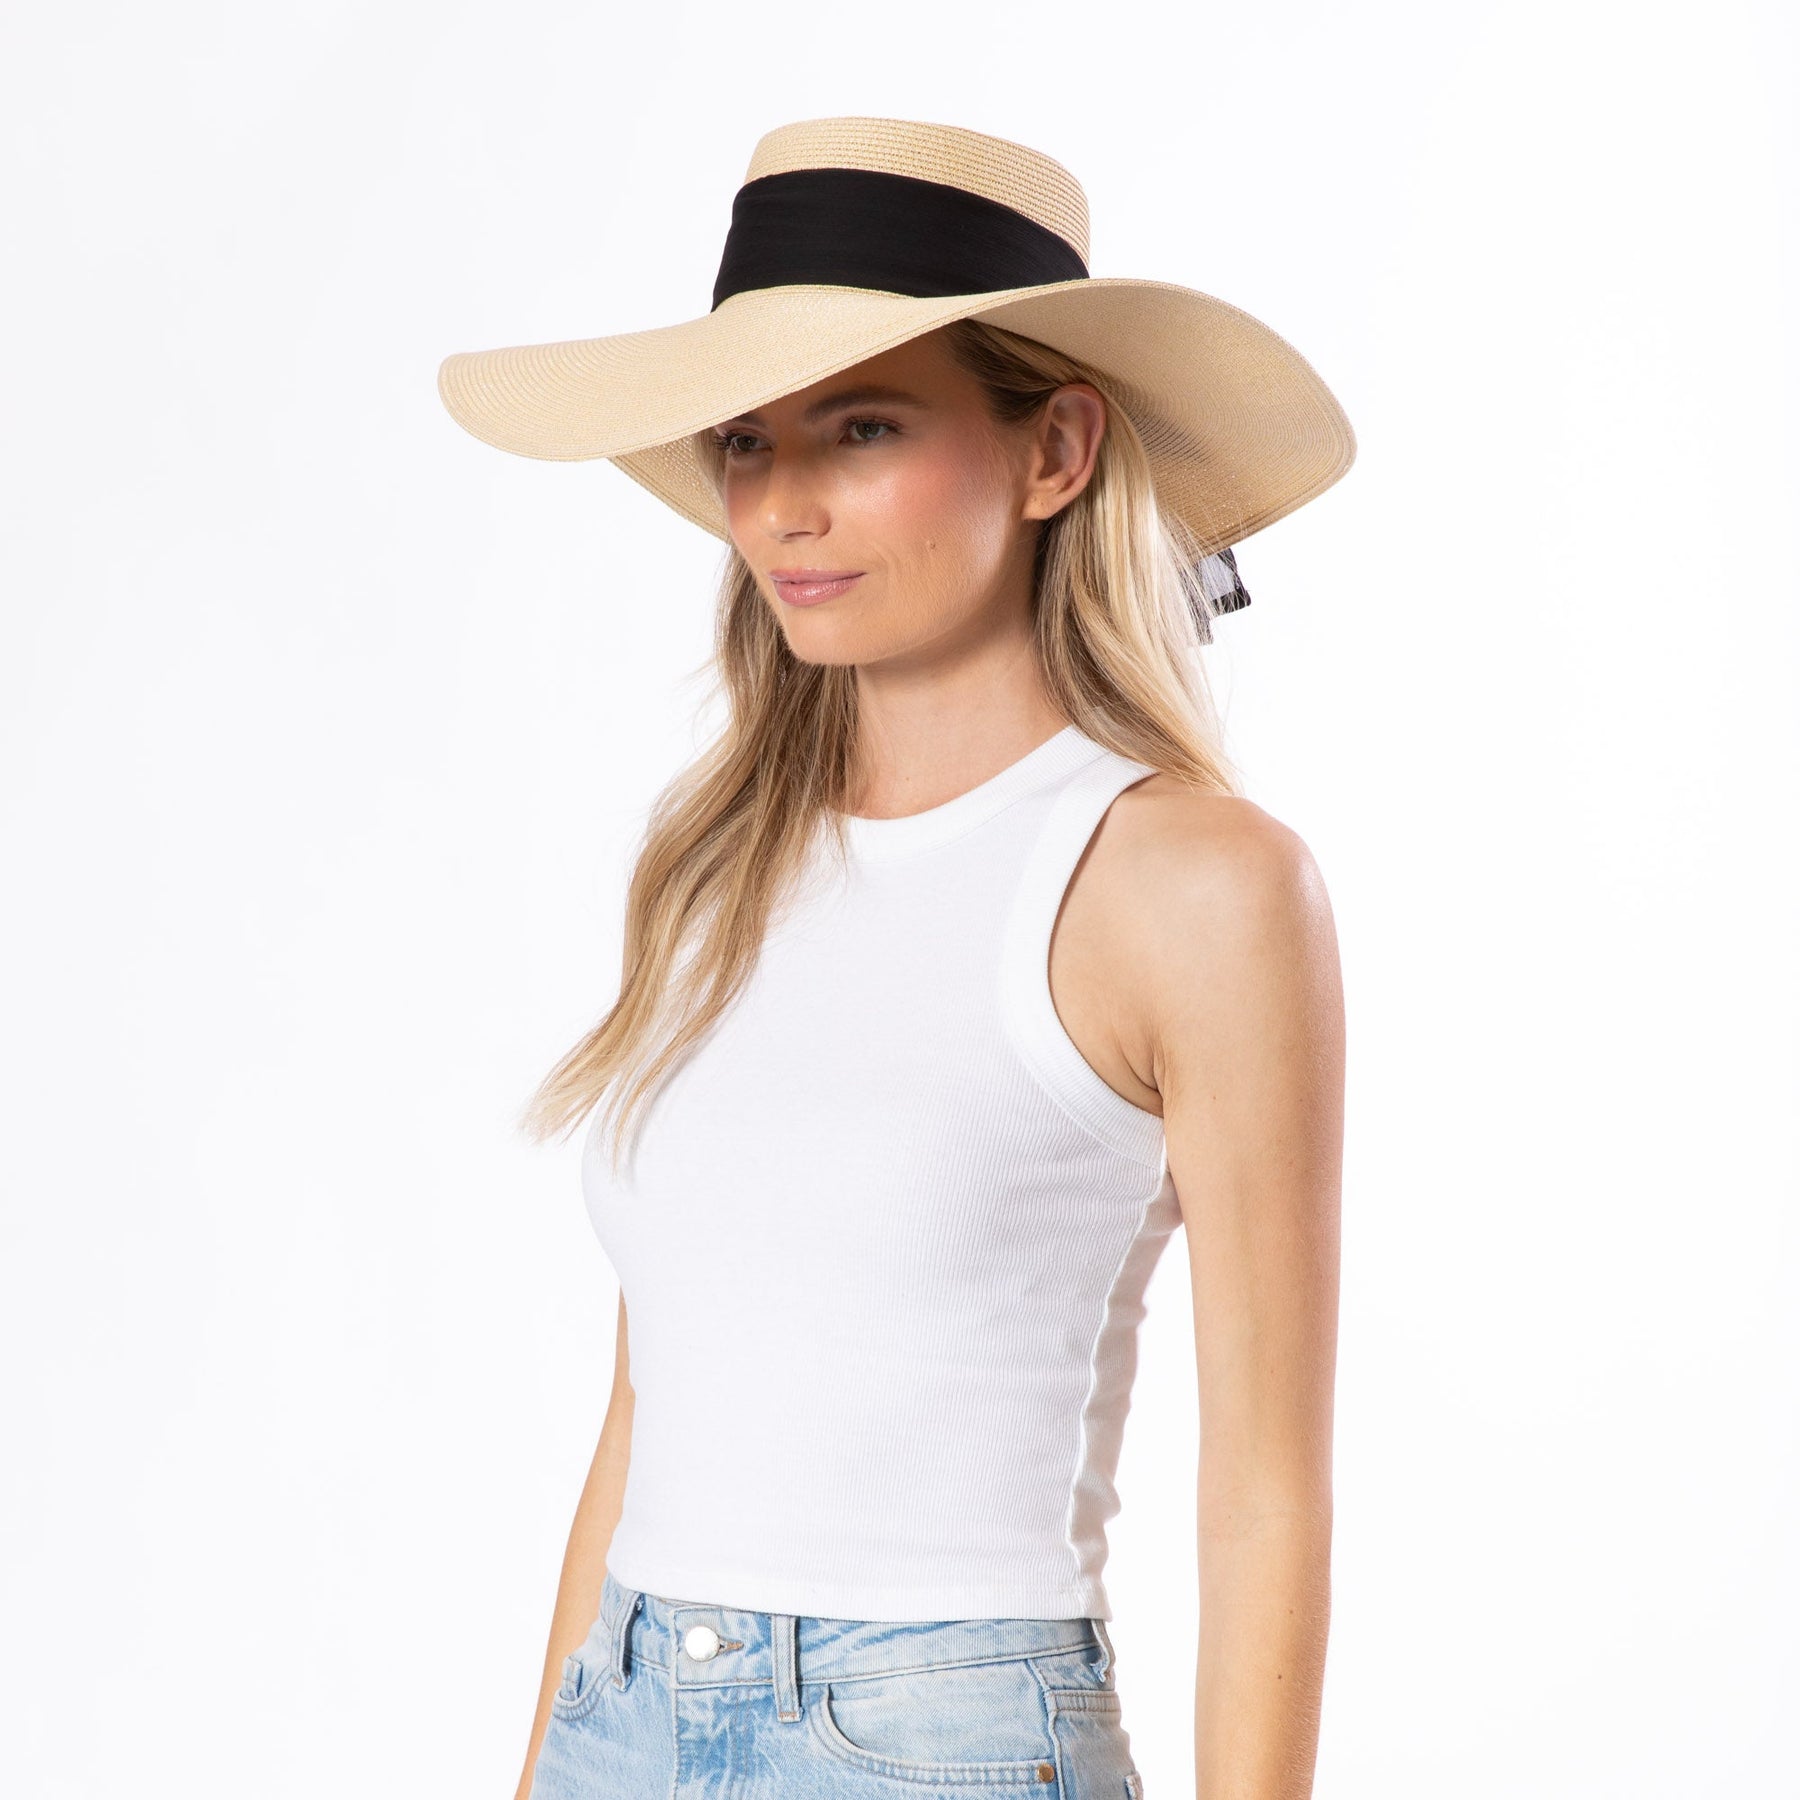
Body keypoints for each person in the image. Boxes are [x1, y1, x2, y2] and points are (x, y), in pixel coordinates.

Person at [439, 114, 1352, 1800]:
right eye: (747, 441)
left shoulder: (1193, 886)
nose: (783, 505)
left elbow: (1266, 1492)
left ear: (1054, 448)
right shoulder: (712, 871)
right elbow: (647, 1409)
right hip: (620, 1713)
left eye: (862, 426)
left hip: (934, 1740)